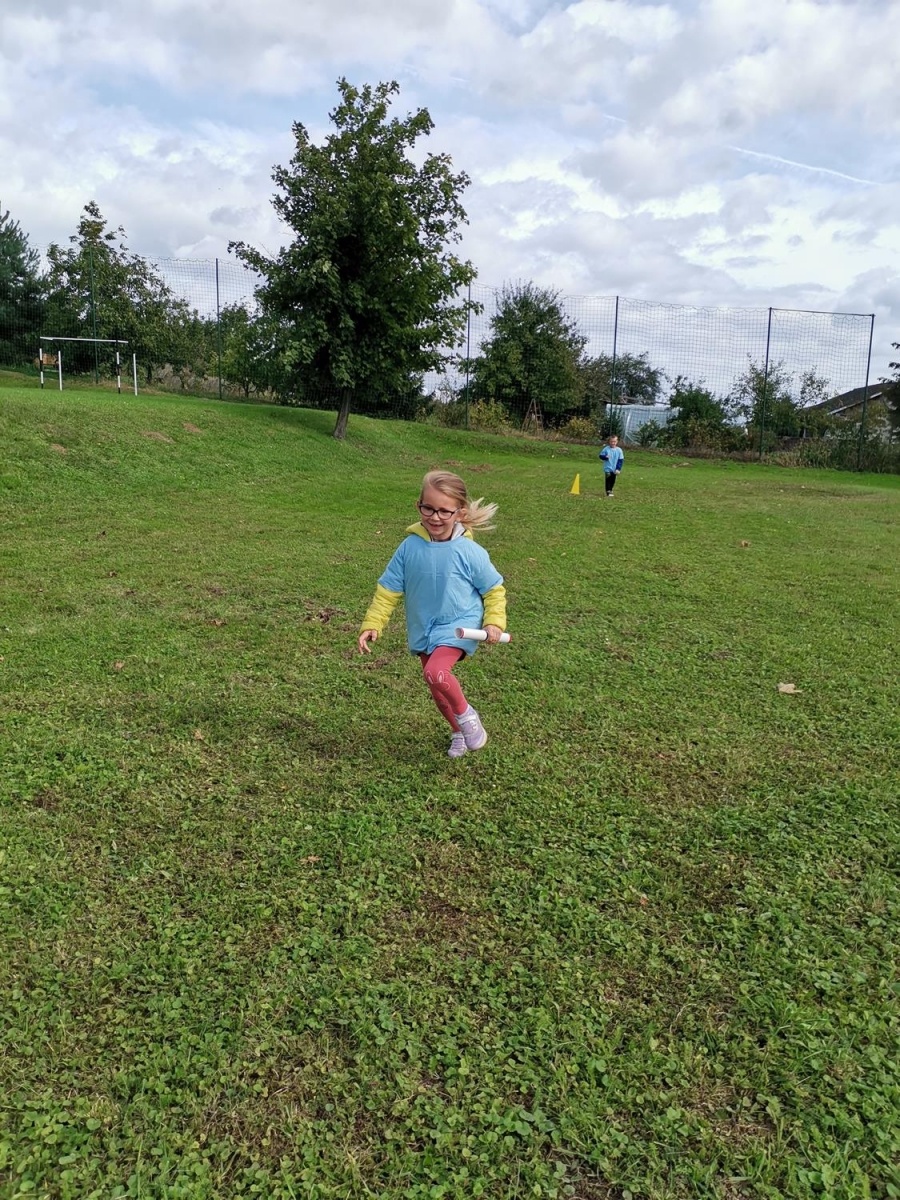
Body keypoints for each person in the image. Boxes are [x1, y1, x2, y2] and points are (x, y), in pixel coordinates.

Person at [358, 470, 507, 758]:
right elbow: (388, 589)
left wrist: (494, 622)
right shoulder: (409, 547)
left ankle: (468, 717)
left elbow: (493, 589)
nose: (435, 517)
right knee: (437, 689)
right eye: (428, 508)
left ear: (459, 513)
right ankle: (458, 731)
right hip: (424, 627)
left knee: (436, 672)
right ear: (418, 505)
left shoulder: (469, 551)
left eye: (444, 511)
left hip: (459, 625)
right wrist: (373, 623)